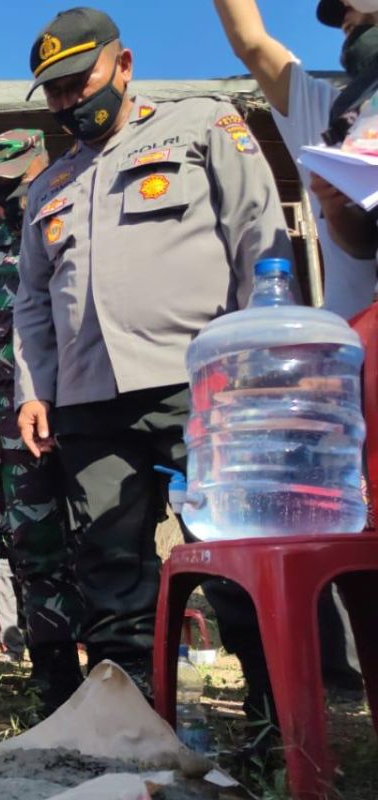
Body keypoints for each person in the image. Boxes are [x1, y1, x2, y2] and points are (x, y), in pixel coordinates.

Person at [13, 8, 293, 708]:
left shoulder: (202, 124)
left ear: (124, 65)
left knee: (233, 556)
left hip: (203, 386)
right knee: (109, 570)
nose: (69, 100)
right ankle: (132, 728)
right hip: (88, 401)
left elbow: (260, 235)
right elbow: (32, 302)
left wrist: (262, 360)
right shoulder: (47, 189)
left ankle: (272, 719)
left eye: (79, 81)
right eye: (54, 90)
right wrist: (32, 390)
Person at [213, 0, 369, 700]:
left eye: (358, 14)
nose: (349, 28)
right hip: (356, 370)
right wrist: (339, 210)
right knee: (361, 556)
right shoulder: (332, 107)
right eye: (339, 24)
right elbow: (251, 40)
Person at [0, 129, 84, 712]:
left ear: (43, 172)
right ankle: (55, 690)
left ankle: (122, 676)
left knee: (104, 541)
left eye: (12, 187)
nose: (3, 202)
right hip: (14, 428)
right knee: (32, 550)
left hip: (90, 412)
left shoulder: (83, 231)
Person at [213, 0, 377, 318]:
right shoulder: (333, 112)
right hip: (359, 344)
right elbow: (252, 43)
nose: (343, 12)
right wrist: (334, 205)